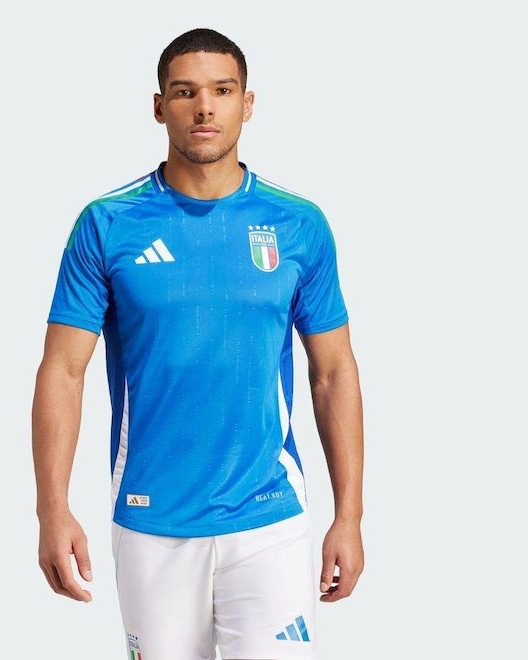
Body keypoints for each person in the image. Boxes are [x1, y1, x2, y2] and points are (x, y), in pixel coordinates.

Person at [32, 27, 364, 660]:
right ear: (159, 107)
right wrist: (53, 510)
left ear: (248, 103)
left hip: (269, 518)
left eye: (222, 90)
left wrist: (348, 516)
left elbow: (334, 373)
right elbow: (62, 372)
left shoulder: (299, 224)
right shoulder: (107, 224)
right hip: (150, 519)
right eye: (185, 92)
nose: (204, 108)